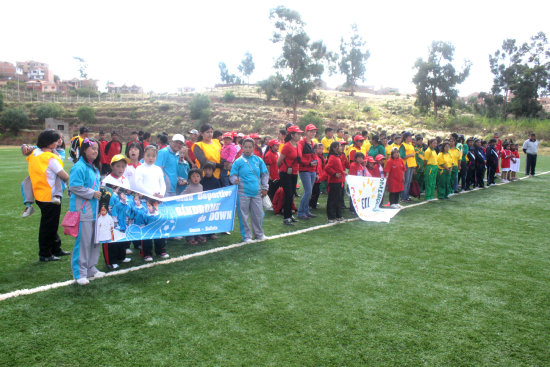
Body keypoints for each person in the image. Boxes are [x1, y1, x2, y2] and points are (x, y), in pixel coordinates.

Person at [27, 130, 71, 262]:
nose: (58, 142)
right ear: (50, 143)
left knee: (50, 224)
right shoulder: (50, 158)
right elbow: (64, 175)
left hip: (40, 193)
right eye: (56, 140)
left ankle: (56, 248)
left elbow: (28, 151)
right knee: (49, 226)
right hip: (50, 196)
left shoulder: (35, 153)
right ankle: (45, 253)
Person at [69, 138, 104, 285]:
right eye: (92, 148)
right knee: (83, 243)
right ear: (84, 150)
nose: (95, 151)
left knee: (94, 241)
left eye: (97, 149)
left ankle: (91, 268)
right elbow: (74, 187)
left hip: (94, 210)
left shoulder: (93, 167)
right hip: (83, 210)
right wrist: (92, 193)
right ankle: (80, 273)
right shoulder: (80, 167)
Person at [230, 138, 269, 242]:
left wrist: (265, 187)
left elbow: (265, 174)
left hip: (257, 192)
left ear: (253, 148)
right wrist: (235, 180)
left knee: (259, 214)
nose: (247, 149)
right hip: (242, 193)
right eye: (245, 147)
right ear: (242, 147)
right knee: (243, 215)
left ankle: (259, 234)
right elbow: (232, 175)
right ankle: (247, 236)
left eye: (250, 147)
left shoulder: (258, 160)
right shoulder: (238, 162)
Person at [134, 145, 169, 260]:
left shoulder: (158, 169)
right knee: (147, 227)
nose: (151, 158)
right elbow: (138, 185)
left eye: (153, 156)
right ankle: (147, 252)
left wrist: (161, 194)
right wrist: (150, 194)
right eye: (148, 155)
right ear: (143, 155)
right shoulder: (140, 168)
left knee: (159, 225)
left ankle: (160, 250)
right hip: (145, 201)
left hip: (157, 202)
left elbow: (162, 183)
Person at [101, 154, 132, 269]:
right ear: (112, 166)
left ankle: (121, 256)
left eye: (123, 167)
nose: (121, 169)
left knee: (121, 235)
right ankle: (111, 261)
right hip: (111, 213)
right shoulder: (107, 180)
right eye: (118, 166)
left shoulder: (125, 179)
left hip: (122, 214)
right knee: (110, 237)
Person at [277, 125, 303, 226]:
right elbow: (279, 162)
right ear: (292, 135)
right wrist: (283, 170)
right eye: (298, 134)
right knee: (288, 194)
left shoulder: (299, 145)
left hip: (294, 173)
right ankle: (286, 217)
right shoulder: (286, 146)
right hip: (285, 173)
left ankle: (289, 215)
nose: (300, 135)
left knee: (291, 194)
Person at [297, 124, 318, 220]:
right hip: (304, 170)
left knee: (309, 192)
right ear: (306, 132)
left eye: (314, 131)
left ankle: (306, 211)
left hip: (312, 170)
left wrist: (315, 162)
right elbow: (299, 158)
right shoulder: (301, 143)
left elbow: (314, 156)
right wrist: (309, 163)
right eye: (311, 131)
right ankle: (301, 212)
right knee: (308, 191)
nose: (313, 133)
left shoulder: (313, 143)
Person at [182, 169, 206, 245]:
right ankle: (190, 238)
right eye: (193, 176)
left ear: (200, 178)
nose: (196, 178)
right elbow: (182, 196)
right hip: (190, 209)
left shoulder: (201, 186)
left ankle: (198, 236)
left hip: (199, 209)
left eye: (198, 176)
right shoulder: (189, 187)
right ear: (190, 178)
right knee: (190, 223)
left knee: (198, 222)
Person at [324, 142, 345, 223]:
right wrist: (335, 174)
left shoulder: (337, 157)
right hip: (334, 182)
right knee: (333, 199)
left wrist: (342, 172)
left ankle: (338, 215)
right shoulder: (332, 157)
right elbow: (327, 168)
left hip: (339, 181)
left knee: (338, 199)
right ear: (335, 148)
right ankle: (331, 217)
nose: (341, 148)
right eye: (339, 146)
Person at [399, 132, 417, 201]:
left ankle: (407, 196)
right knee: (405, 181)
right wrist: (410, 155)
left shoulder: (410, 145)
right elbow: (402, 156)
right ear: (406, 138)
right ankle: (403, 197)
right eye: (410, 137)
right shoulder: (403, 145)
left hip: (412, 164)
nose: (411, 138)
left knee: (409, 181)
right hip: (406, 164)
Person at [310, 143, 325, 210]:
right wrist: (317, 174)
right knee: (315, 191)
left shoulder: (321, 157)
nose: (321, 150)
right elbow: (316, 167)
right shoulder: (315, 157)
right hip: (315, 177)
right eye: (319, 148)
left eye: (322, 149)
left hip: (319, 177)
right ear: (316, 149)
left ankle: (313, 204)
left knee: (316, 191)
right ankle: (312, 205)